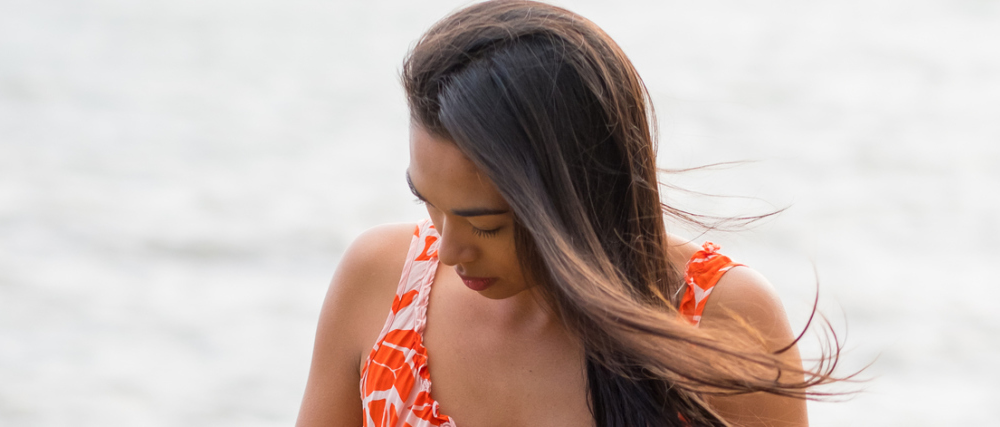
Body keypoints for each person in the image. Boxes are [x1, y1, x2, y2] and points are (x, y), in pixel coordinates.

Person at [296, 1, 844, 426]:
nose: (447, 250)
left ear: (575, 198)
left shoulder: (717, 318)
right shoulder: (382, 283)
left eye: (486, 223)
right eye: (428, 205)